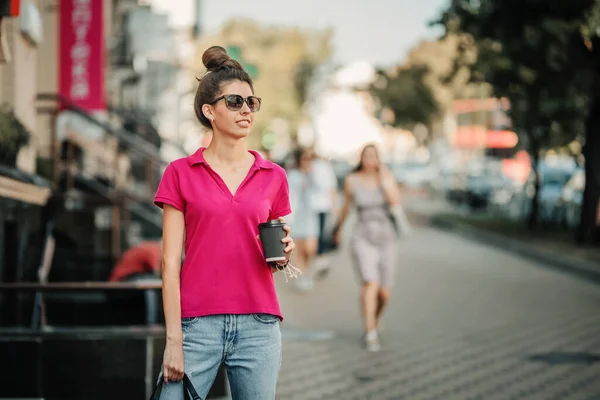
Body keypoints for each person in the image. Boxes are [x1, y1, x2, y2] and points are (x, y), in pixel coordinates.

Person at [153, 46, 295, 399]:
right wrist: (174, 341)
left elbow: (272, 253)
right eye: (234, 102)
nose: (246, 110)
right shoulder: (180, 173)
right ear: (209, 111)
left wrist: (285, 254)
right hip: (196, 325)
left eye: (251, 102)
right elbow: (169, 264)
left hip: (258, 325)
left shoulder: (273, 175)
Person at [334, 144, 400, 352]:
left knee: (385, 293)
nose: (370, 159)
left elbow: (395, 203)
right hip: (362, 236)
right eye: (366, 156)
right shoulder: (352, 180)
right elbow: (346, 208)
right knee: (369, 283)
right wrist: (337, 230)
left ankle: (375, 318)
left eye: (374, 156)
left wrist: (385, 180)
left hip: (386, 236)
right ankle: (370, 331)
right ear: (361, 158)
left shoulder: (386, 177)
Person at [286, 147, 320, 291]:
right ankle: (302, 277)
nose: (308, 162)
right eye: (305, 159)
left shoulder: (314, 175)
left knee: (310, 249)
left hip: (311, 216)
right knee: (299, 249)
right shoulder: (293, 175)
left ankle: (308, 271)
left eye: (310, 159)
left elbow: (321, 191)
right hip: (296, 216)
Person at [109, 240, 162, 325]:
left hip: (128, 279)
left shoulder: (149, 246)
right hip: (121, 281)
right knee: (152, 284)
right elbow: (157, 272)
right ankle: (151, 323)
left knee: (152, 282)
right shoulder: (154, 249)